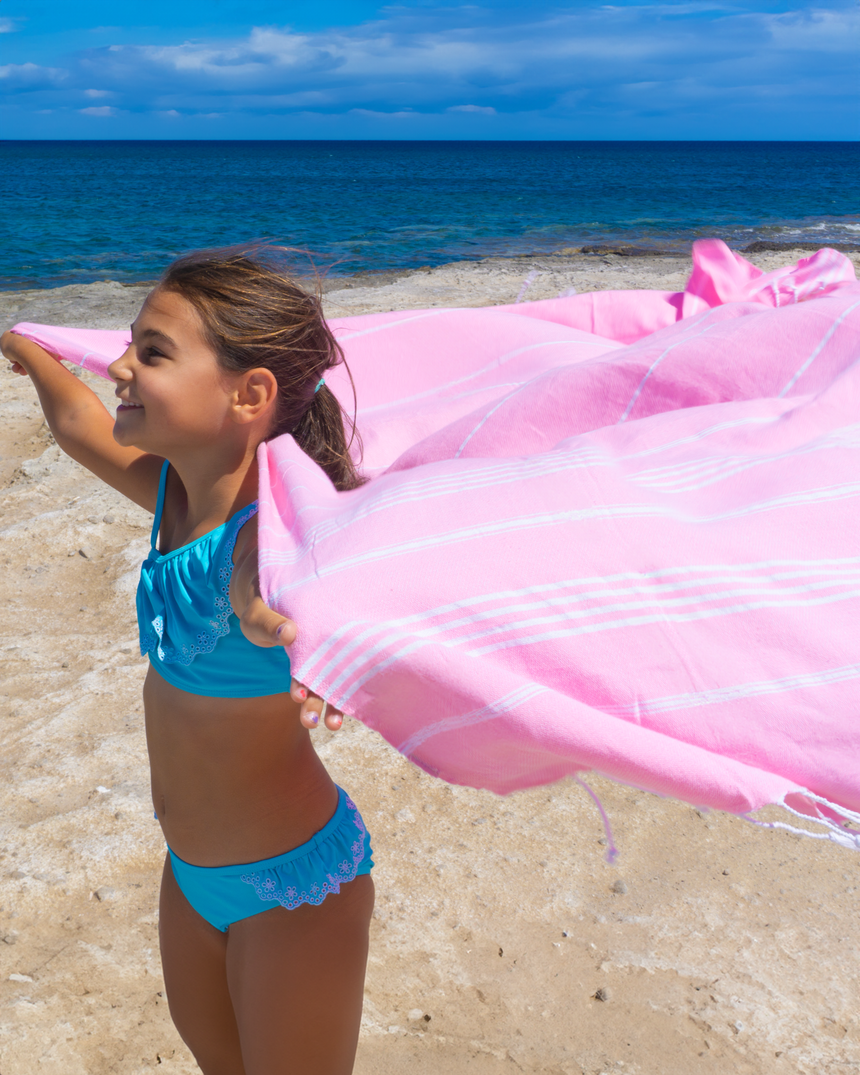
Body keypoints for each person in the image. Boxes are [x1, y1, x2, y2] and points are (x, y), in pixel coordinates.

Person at [1, 248, 374, 1075]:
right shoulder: (171, 492)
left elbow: (274, 594)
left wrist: (293, 629)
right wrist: (22, 342)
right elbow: (76, 424)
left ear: (249, 394)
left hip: (294, 889)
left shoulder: (266, 546)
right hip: (192, 873)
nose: (122, 366)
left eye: (152, 352)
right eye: (127, 344)